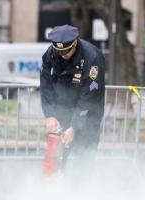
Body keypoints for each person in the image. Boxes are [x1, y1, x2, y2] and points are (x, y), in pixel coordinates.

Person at [40, 24, 105, 162]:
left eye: (67, 51)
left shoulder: (92, 58)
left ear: (75, 43)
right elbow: (46, 85)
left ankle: (82, 181)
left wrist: (75, 126)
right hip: (62, 110)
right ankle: (59, 181)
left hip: (88, 114)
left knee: (83, 156)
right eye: (60, 52)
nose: (63, 55)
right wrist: (50, 114)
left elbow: (89, 96)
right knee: (58, 156)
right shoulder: (51, 54)